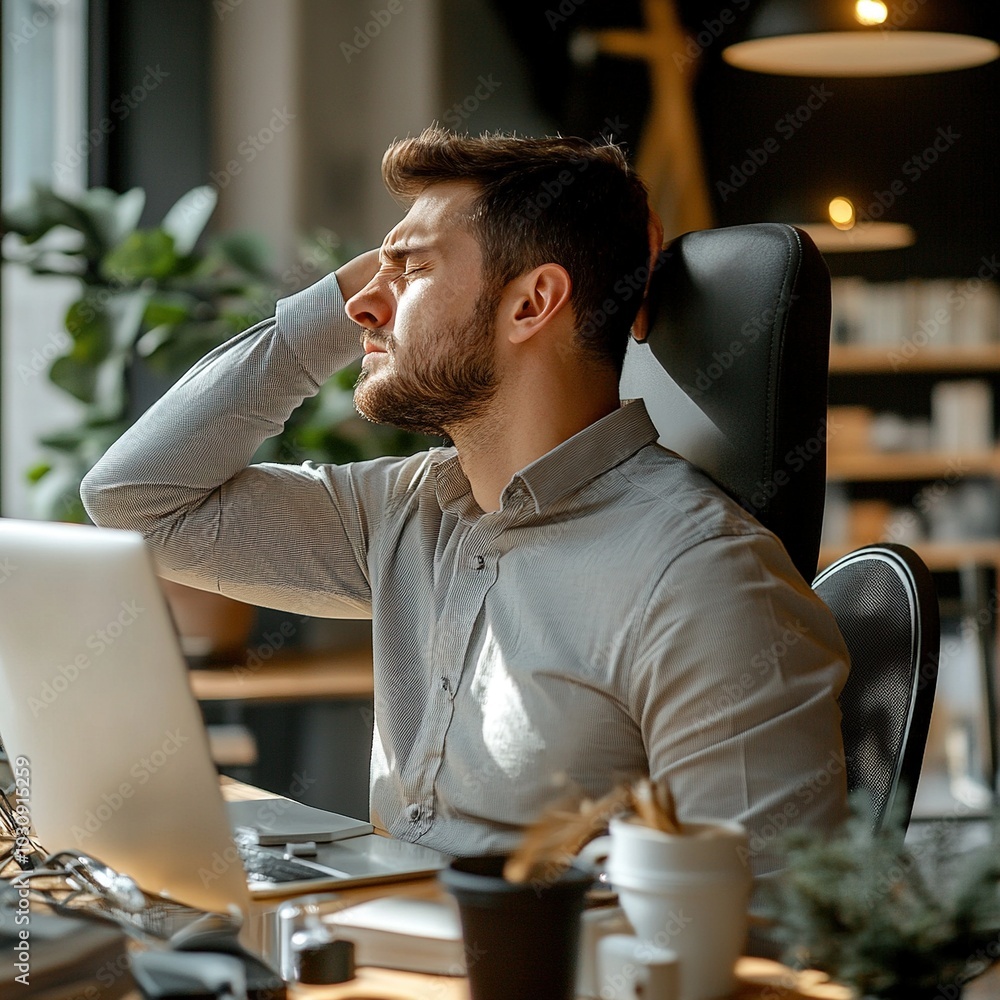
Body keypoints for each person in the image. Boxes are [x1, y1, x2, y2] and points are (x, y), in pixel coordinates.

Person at [81, 126, 848, 904]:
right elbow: (138, 501)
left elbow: (773, 932)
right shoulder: (403, 511)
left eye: (409, 270)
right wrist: (370, 284)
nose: (364, 308)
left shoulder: (706, 578)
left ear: (531, 304)